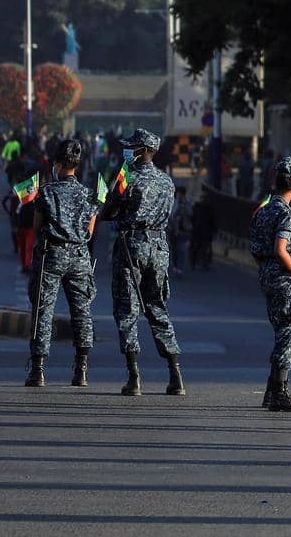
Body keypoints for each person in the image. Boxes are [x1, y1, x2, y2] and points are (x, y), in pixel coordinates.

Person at [100, 128, 185, 397]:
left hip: (131, 245)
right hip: (159, 247)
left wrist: (109, 194)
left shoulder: (128, 176)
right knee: (157, 307)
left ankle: (134, 376)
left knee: (128, 309)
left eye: (132, 147)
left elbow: (109, 210)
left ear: (143, 150)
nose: (128, 151)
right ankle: (176, 375)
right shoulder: (168, 182)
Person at [24, 139, 99, 389]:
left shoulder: (46, 192)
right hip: (79, 256)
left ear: (57, 164)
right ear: (77, 166)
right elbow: (90, 231)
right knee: (82, 312)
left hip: (51, 254)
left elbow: (36, 228)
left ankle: (38, 370)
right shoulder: (89, 194)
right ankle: (82, 370)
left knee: (43, 311)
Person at [250, 157, 291, 412]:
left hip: (268, 274)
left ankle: (271, 391)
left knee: (281, 333)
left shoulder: (263, 210)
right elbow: (281, 248)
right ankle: (280, 393)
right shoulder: (286, 214)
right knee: (289, 336)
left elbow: (255, 247)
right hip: (285, 279)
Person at [168, 186, 192, 277]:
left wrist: (184, 207)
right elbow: (170, 215)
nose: (180, 196)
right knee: (174, 249)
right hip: (173, 230)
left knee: (181, 249)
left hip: (184, 230)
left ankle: (179, 268)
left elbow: (191, 213)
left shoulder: (187, 203)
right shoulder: (173, 203)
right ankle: (175, 266)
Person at [189, 191, 216, 271]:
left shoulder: (209, 208)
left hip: (205, 231)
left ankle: (204, 263)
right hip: (197, 231)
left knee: (205, 248)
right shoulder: (197, 207)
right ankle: (194, 263)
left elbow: (213, 220)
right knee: (195, 248)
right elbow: (192, 218)